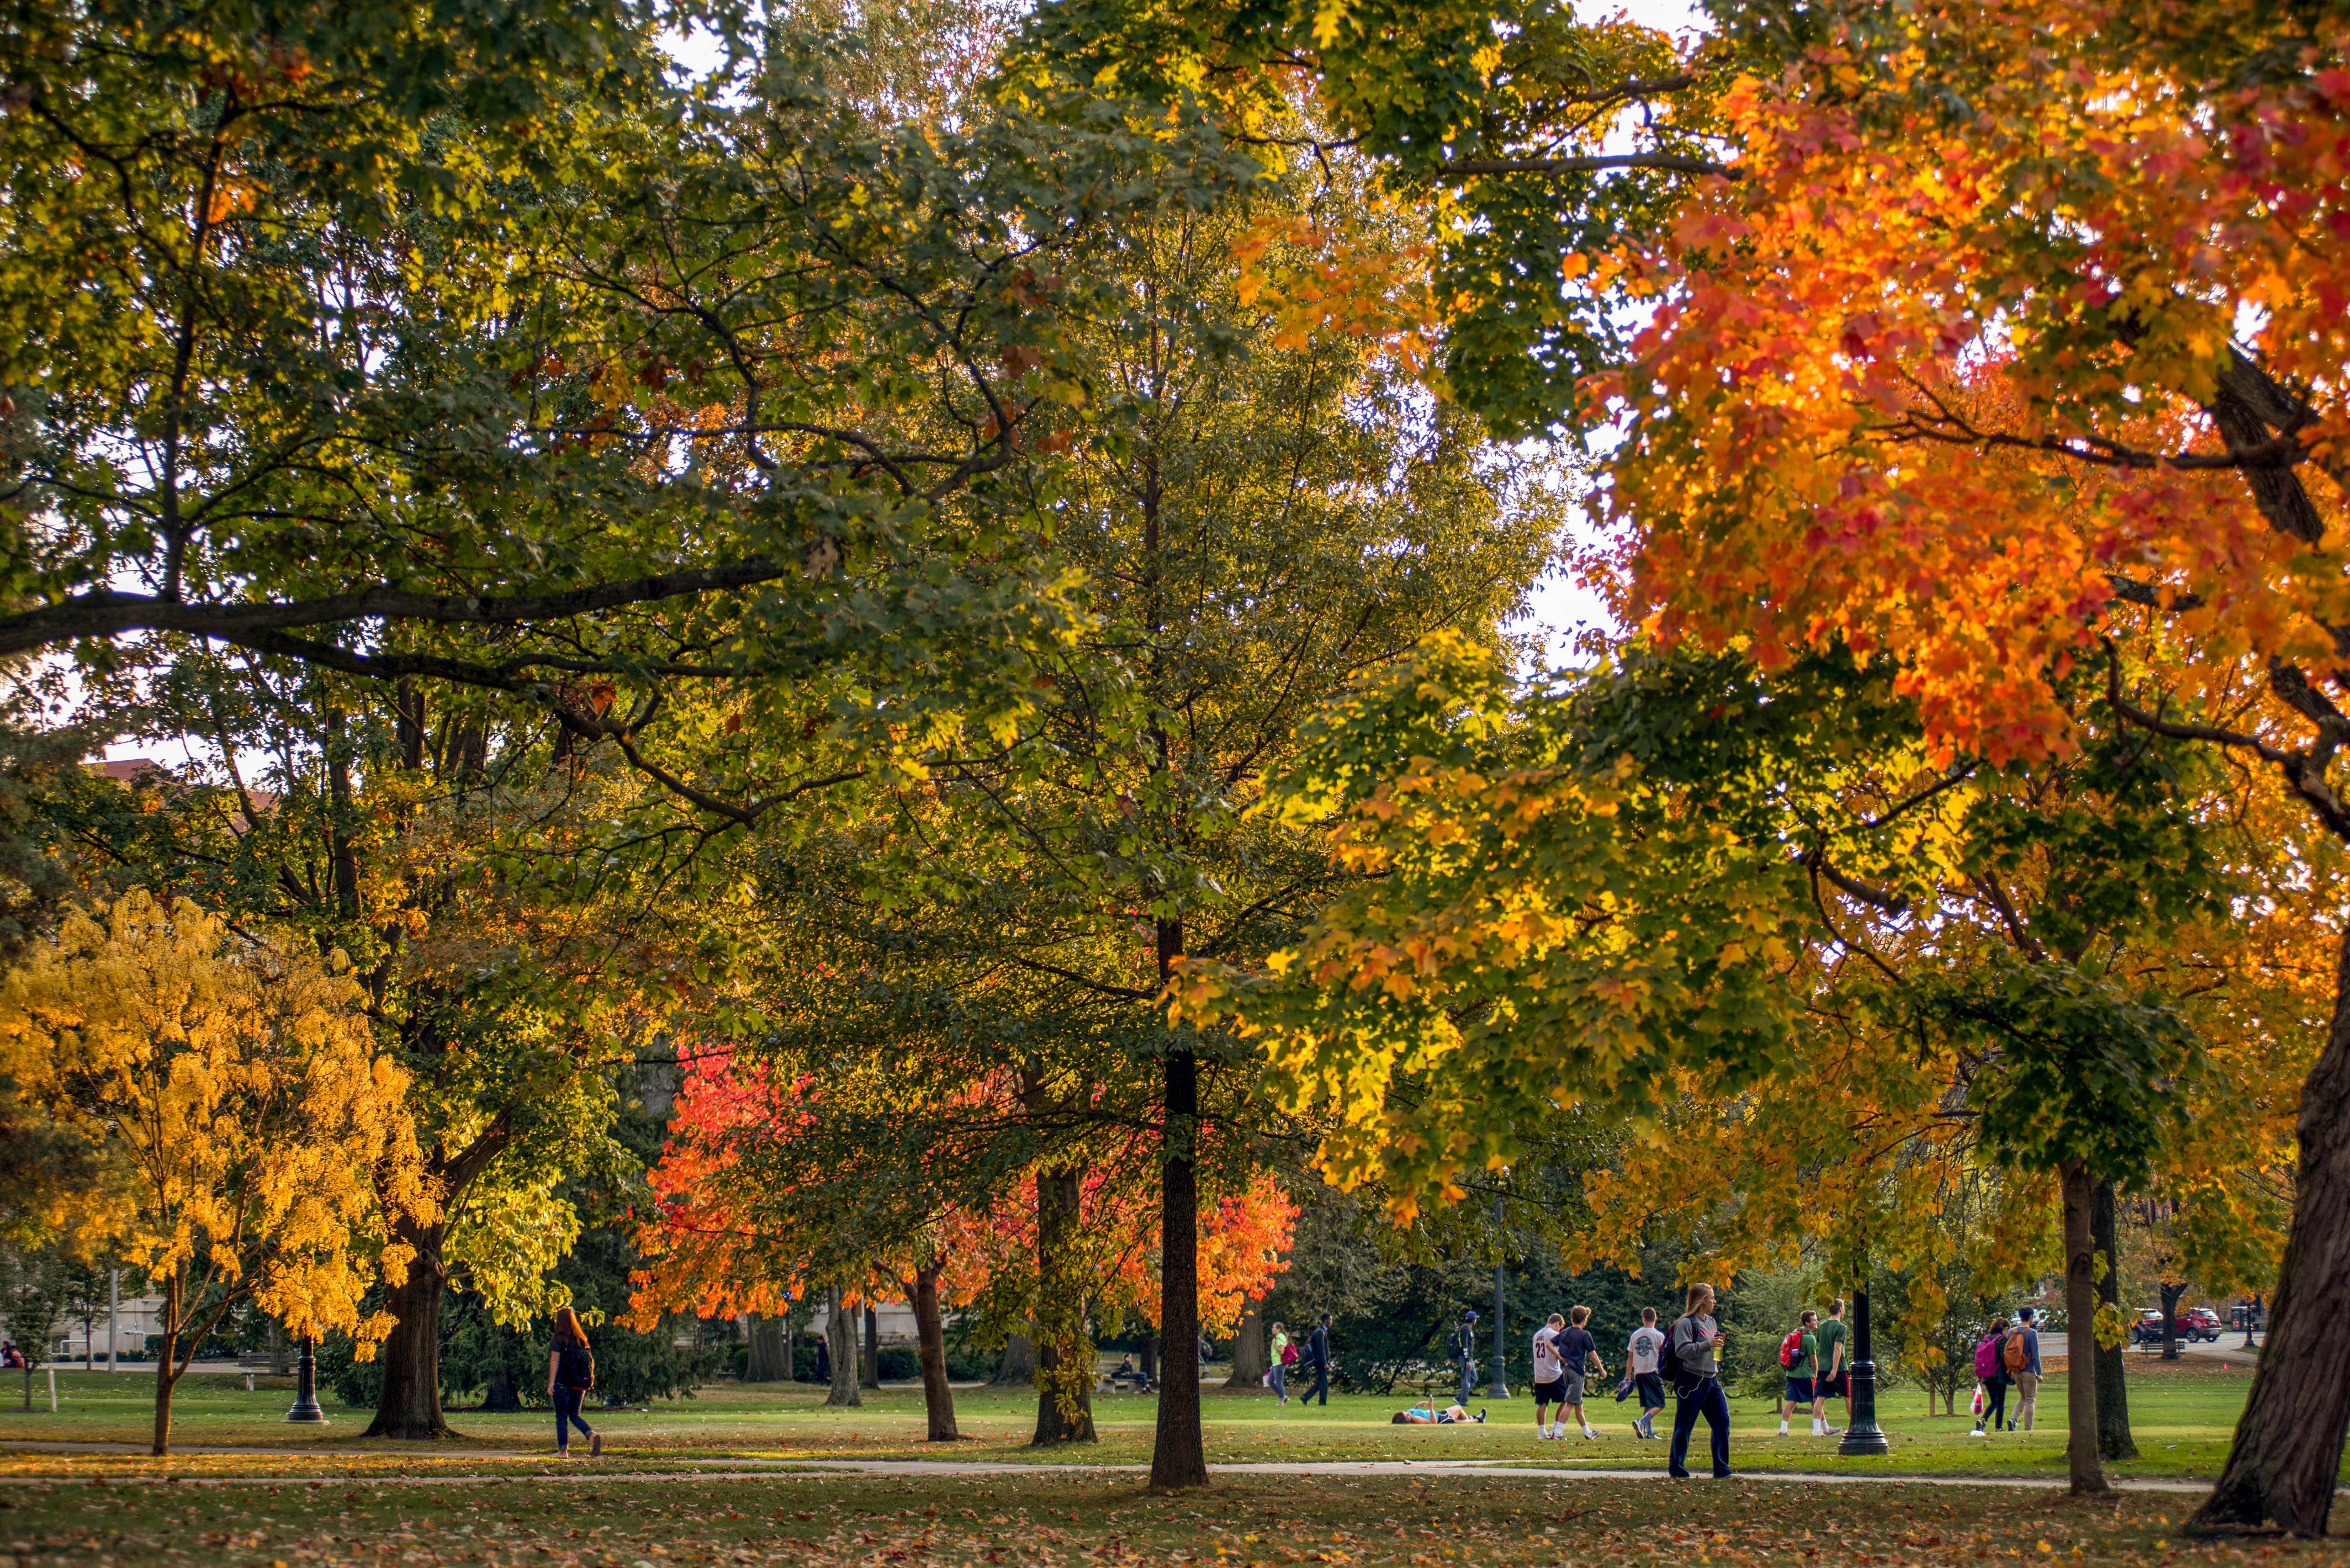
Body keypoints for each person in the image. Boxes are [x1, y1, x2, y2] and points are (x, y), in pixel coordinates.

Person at [1668, 1281, 1733, 1480]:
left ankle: (1722, 1471)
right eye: (1712, 1297)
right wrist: (1707, 1344)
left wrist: (1715, 1346)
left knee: (1722, 1423)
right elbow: (1682, 1350)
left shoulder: (1711, 1322)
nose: (1715, 1301)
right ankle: (1677, 1470)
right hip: (1691, 1381)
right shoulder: (1686, 1324)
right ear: (1702, 1301)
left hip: (1712, 1380)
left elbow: (1710, 1346)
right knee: (1684, 1427)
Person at [547, 1306, 602, 1458]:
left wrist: (551, 1383)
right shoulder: (581, 1340)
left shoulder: (558, 1340)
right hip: (579, 1383)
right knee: (574, 1415)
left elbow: (555, 1361)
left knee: (561, 1416)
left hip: (562, 1383)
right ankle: (591, 1436)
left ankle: (563, 1451)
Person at [1556, 1305, 1605, 1439]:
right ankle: (1558, 1433)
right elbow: (1593, 1355)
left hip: (1566, 1371)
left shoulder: (1564, 1332)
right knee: (1570, 1403)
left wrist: (1560, 1358)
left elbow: (1550, 1344)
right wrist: (1602, 1370)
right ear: (1584, 1320)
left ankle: (1588, 1433)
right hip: (1577, 1372)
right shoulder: (1585, 1335)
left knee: (1579, 1405)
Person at [1626, 1307, 1669, 1440]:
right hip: (1652, 1373)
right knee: (1660, 1404)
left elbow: (1630, 1358)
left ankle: (1649, 1433)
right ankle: (1641, 1423)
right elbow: (1665, 1356)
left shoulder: (1635, 1335)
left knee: (1648, 1404)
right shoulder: (1659, 1336)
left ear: (1643, 1319)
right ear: (1655, 1318)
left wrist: (1627, 1376)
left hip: (1639, 1374)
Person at [1778, 1310, 1821, 1437]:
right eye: (1814, 1320)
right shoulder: (1809, 1338)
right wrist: (1816, 1374)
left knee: (1791, 1402)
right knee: (1816, 1401)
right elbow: (1813, 1360)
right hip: (1805, 1375)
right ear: (1807, 1323)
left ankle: (1783, 1430)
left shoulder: (1796, 1333)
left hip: (1791, 1374)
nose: (1816, 1322)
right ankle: (1819, 1429)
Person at [1970, 1316, 2012, 1436]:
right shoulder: (2002, 1340)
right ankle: (1998, 1428)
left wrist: (1980, 1375)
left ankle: (1983, 1420)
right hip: (1999, 1375)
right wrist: (2010, 1368)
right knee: (2000, 1402)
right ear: (2005, 1329)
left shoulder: (1986, 1339)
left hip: (1986, 1375)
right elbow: (2004, 1356)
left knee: (1994, 1401)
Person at [1814, 1299, 1850, 1433]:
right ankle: (1853, 1426)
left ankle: (1816, 1430)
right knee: (1848, 1396)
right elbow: (1837, 1349)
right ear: (1841, 1309)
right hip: (1839, 1368)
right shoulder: (1841, 1327)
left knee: (1820, 1398)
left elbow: (1821, 1344)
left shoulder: (1822, 1325)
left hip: (1823, 1367)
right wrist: (1835, 1370)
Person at [1531, 1312, 1567, 1439]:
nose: (1560, 1329)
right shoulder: (1553, 1334)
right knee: (1567, 1400)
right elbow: (1561, 1351)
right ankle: (1555, 1429)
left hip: (1540, 1375)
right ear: (1557, 1323)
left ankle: (1542, 1432)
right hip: (1553, 1374)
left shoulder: (1537, 1335)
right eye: (1560, 1327)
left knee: (1542, 1403)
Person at [2009, 1307, 2043, 1432]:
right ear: (2031, 1317)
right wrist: (2039, 1373)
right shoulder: (2032, 1333)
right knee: (2030, 1399)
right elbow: (2035, 1355)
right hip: (2028, 1371)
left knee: (2024, 1396)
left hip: (2015, 1370)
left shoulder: (2012, 1332)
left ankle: (2013, 1418)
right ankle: (2028, 1428)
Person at [1301, 1313, 1332, 1406]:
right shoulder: (1320, 1332)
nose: (1331, 1322)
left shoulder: (1321, 1331)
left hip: (1320, 1360)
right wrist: (1325, 1363)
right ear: (1325, 1321)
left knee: (1321, 1381)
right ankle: (1322, 1403)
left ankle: (1306, 1397)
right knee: (1324, 1381)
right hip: (1319, 1361)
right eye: (1330, 1320)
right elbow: (1321, 1349)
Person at [1453, 1308, 1481, 1406]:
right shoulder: (1465, 1329)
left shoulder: (1468, 1329)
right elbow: (1465, 1346)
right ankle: (1463, 1401)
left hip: (1469, 1358)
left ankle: (1459, 1397)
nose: (1476, 1321)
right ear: (1473, 1320)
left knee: (1474, 1378)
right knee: (1466, 1380)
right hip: (1466, 1359)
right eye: (1475, 1319)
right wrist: (1467, 1360)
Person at [1393, 1400, 1486, 1424]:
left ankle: (1472, 1419)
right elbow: (1433, 1423)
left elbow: (1414, 1411)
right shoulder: (1415, 1419)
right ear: (1407, 1420)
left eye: (1406, 1413)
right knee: (1458, 1410)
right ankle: (1478, 1419)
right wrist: (1431, 1408)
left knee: (1459, 1413)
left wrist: (1418, 1406)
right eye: (1407, 1416)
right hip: (1440, 1419)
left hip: (1439, 1414)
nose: (1409, 1413)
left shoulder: (1411, 1412)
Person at [1268, 1321, 1293, 1404]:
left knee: (1279, 1382)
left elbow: (1282, 1352)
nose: (1272, 1329)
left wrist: (1274, 1344)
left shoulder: (1280, 1338)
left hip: (1280, 1363)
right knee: (1270, 1381)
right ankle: (1284, 1397)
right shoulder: (1278, 1337)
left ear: (1279, 1329)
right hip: (1275, 1363)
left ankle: (1282, 1401)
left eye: (1274, 1328)